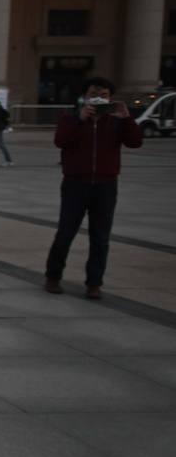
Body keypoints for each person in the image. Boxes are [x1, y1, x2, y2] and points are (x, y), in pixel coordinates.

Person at [44, 76, 142, 300]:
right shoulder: (70, 117)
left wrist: (126, 119)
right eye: (93, 95)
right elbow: (61, 141)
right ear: (84, 97)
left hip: (106, 185)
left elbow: (135, 142)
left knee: (100, 238)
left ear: (111, 98)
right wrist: (80, 120)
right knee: (65, 233)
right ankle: (53, 276)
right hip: (75, 183)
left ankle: (94, 283)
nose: (98, 99)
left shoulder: (116, 121)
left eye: (104, 96)